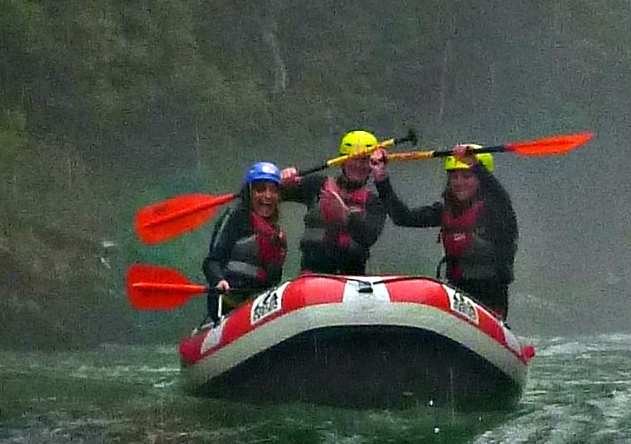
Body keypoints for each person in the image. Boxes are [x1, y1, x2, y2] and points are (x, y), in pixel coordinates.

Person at [300, 129, 434, 279]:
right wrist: (284, 178)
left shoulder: (374, 203)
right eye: (354, 159)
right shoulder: (316, 185)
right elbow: (273, 194)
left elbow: (368, 236)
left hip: (352, 280)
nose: (358, 165)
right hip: (311, 276)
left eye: (364, 160)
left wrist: (345, 215)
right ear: (342, 161)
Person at [201, 161, 297, 322]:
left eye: (273, 190)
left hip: (258, 308)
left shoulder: (277, 234)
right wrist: (219, 280)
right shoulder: (235, 218)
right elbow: (211, 262)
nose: (267, 195)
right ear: (249, 193)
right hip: (228, 303)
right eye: (260, 189)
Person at [435, 149, 518, 316]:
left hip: (490, 300)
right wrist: (382, 179)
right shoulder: (444, 211)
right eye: (454, 177)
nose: (459, 182)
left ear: (481, 180)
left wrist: (475, 164)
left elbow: (500, 197)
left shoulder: (496, 212)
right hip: (458, 297)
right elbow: (403, 217)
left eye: (467, 176)